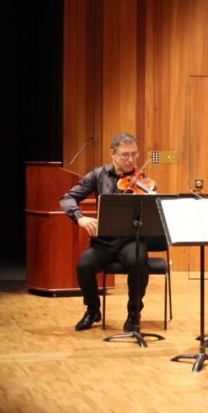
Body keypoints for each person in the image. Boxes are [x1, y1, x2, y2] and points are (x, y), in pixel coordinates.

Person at [60, 133, 151, 332]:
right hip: (104, 242)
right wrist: (80, 217)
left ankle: (134, 313)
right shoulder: (98, 174)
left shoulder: (142, 180)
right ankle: (93, 310)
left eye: (135, 155)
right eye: (125, 155)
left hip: (130, 240)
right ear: (113, 154)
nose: (131, 160)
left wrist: (152, 199)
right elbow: (67, 198)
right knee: (84, 266)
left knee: (139, 261)